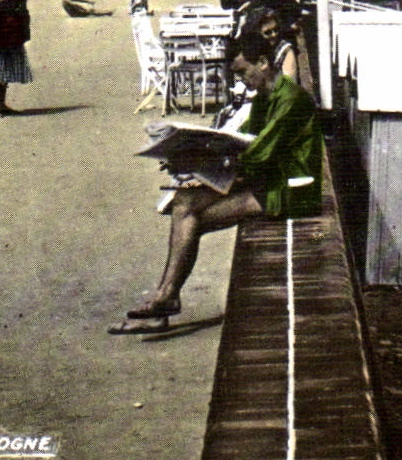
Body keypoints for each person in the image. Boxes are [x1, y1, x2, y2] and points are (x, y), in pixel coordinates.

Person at [115, 37, 322, 331]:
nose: (240, 80)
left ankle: (165, 300)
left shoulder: (291, 99)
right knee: (184, 203)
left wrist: (204, 161)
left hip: (289, 190)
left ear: (263, 63)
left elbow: (258, 155)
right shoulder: (266, 96)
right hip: (267, 180)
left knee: (193, 219)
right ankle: (165, 297)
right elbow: (244, 142)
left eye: (242, 72)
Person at [256, 10, 301, 80]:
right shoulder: (259, 51)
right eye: (268, 32)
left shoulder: (285, 50)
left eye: (276, 29)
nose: (274, 34)